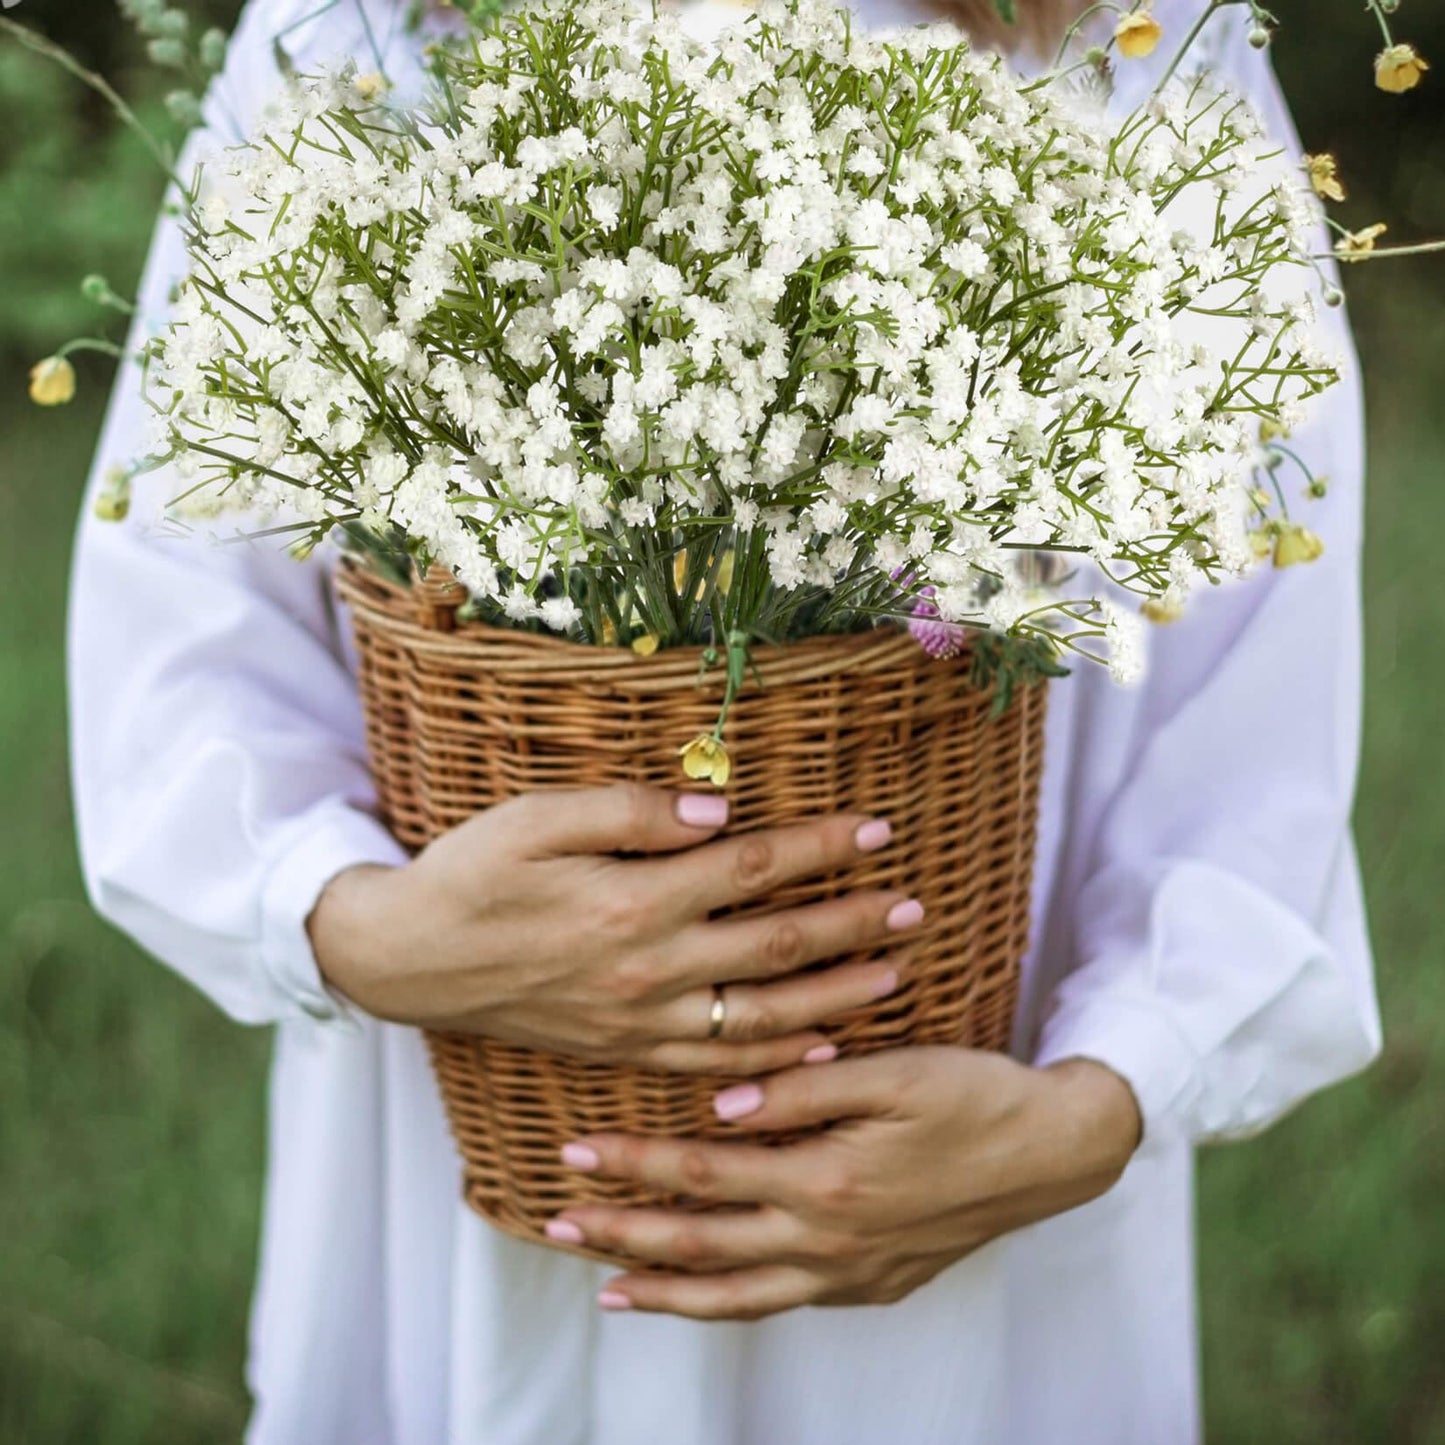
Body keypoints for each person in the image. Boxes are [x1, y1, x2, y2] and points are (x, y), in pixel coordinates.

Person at [68, 0, 1381, 1441]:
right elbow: (186, 605)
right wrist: (357, 924)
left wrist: (1096, 1102)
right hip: (471, 1158)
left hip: (958, 1204)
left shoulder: (1136, 38)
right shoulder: (368, 33)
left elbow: (1253, 685)